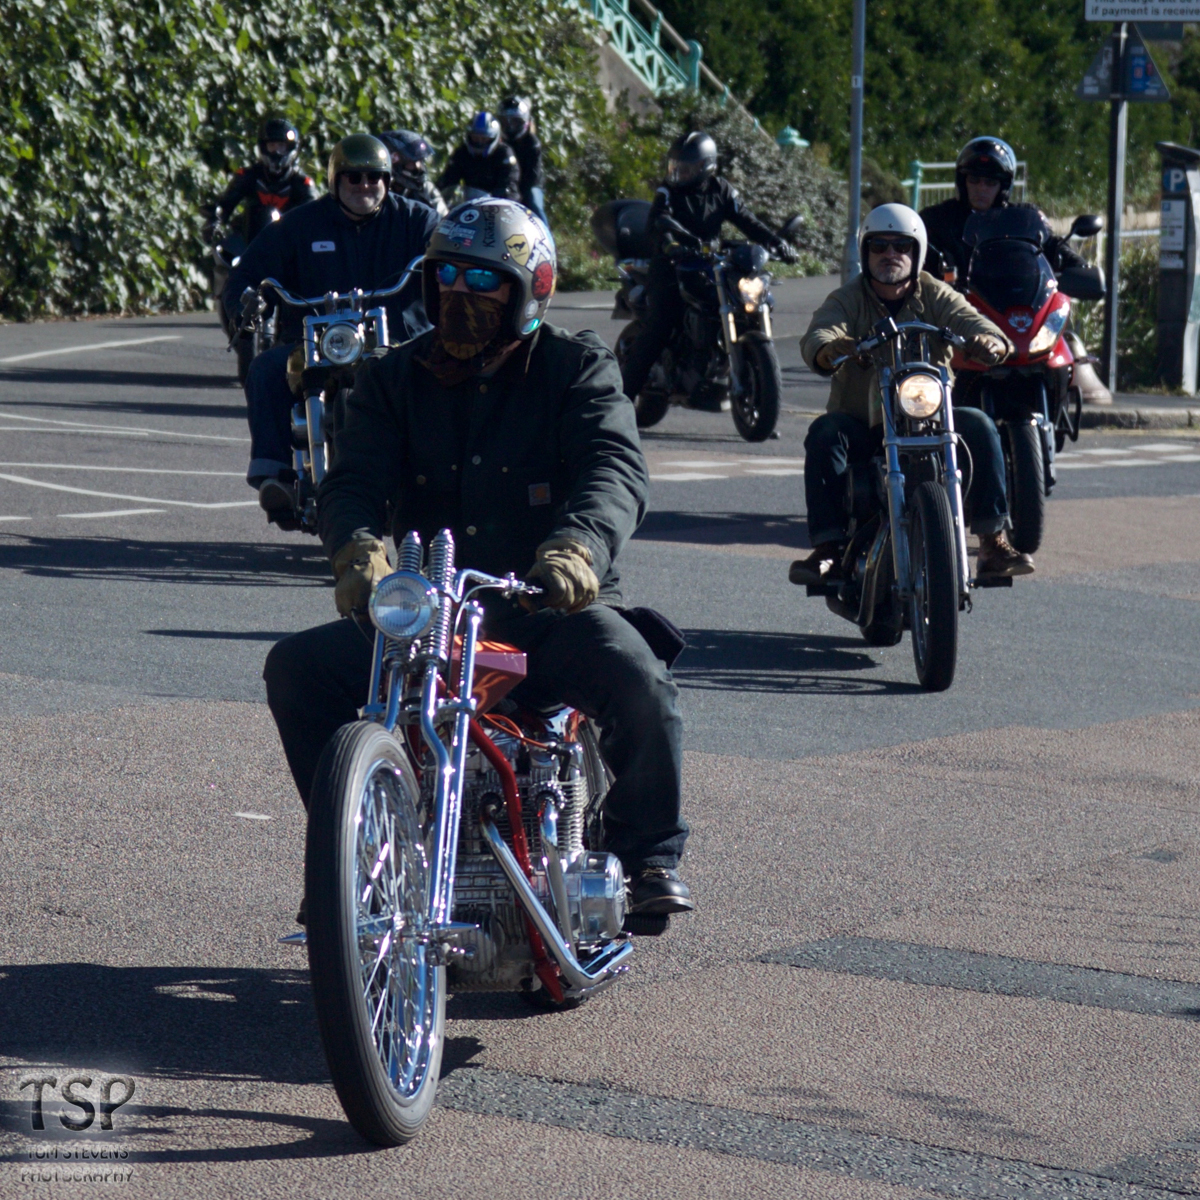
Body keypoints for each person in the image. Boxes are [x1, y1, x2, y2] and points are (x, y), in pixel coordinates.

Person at [262, 198, 693, 920]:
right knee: (297, 669)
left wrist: (577, 549)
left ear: (530, 290)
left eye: (484, 279)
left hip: (548, 609)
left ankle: (648, 852)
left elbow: (614, 468)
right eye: (448, 276)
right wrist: (358, 551)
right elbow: (354, 480)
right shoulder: (393, 377)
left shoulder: (576, 368)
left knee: (640, 680)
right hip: (433, 618)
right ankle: (355, 855)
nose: (461, 293)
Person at [792, 203, 1035, 584]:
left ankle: (992, 543)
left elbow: (975, 322)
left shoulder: (935, 293)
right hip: (863, 422)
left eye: (901, 246)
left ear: (916, 252)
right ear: (865, 252)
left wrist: (990, 341)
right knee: (824, 433)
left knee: (981, 425)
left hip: (931, 418)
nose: (890, 254)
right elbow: (820, 332)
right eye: (880, 246)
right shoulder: (848, 298)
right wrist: (831, 347)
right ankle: (829, 549)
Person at [223, 133, 438, 521]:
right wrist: (246, 303)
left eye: (374, 177)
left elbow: (450, 257)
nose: (364, 185)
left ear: (388, 180)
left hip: (399, 342)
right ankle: (276, 475)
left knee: (439, 377)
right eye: (353, 177)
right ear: (335, 179)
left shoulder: (416, 221)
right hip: (313, 343)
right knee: (266, 368)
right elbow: (248, 275)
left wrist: (449, 279)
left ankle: (438, 475)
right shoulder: (299, 225)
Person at [618, 131, 798, 411]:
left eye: (686, 168)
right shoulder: (668, 191)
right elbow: (658, 220)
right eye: (675, 166)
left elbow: (747, 220)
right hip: (671, 265)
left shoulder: (721, 189)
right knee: (660, 325)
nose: (678, 173)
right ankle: (619, 403)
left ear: (706, 167)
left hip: (709, 263)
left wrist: (776, 243)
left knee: (747, 303)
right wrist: (670, 245)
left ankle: (745, 387)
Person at [920, 137, 1085, 285]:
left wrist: (1080, 267)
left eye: (990, 182)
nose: (981, 188)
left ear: (1003, 188)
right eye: (974, 180)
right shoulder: (937, 219)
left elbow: (1052, 244)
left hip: (1014, 300)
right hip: (953, 303)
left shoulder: (1023, 219)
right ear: (963, 183)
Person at [204, 118, 319, 242]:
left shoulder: (302, 184)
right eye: (272, 146)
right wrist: (214, 222)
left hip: (287, 244)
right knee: (221, 247)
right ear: (264, 147)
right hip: (247, 243)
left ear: (290, 148)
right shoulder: (249, 175)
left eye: (281, 146)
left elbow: (312, 218)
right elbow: (225, 205)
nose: (277, 152)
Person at [436, 112, 520, 203]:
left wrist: (502, 196)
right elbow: (448, 180)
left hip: (499, 204)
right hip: (470, 204)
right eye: (476, 138)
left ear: (493, 138)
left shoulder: (504, 154)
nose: (479, 143)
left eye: (484, 139)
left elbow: (509, 182)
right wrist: (438, 195)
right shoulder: (462, 153)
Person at [497, 96, 549, 229]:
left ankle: (546, 235)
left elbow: (532, 176)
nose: (510, 126)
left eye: (515, 121)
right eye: (506, 122)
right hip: (506, 184)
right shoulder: (496, 142)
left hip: (529, 184)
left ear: (525, 121)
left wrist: (518, 194)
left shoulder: (532, 144)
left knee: (533, 202)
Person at [378, 129, 448, 217]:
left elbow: (444, 218)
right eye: (412, 162)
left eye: (420, 161)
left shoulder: (425, 188)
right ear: (394, 161)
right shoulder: (376, 188)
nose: (419, 167)